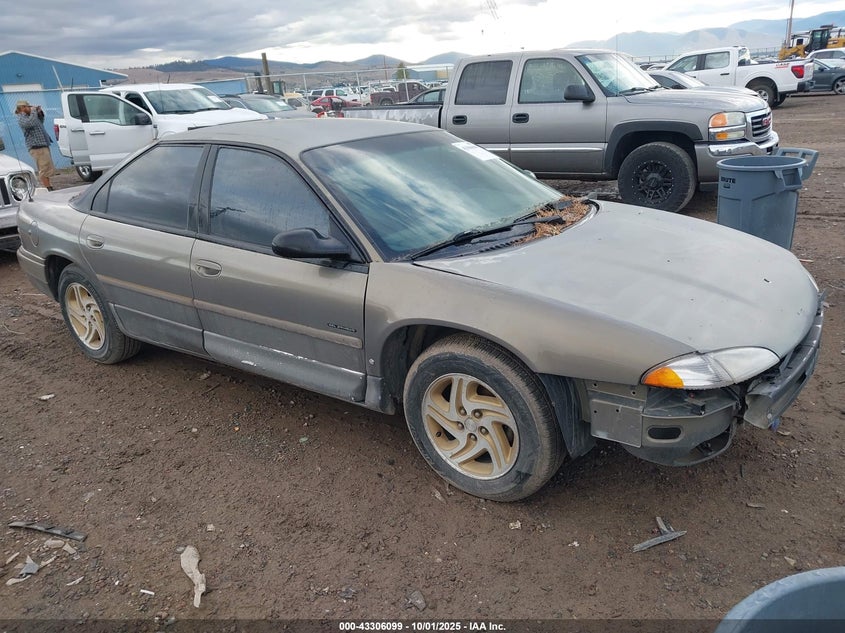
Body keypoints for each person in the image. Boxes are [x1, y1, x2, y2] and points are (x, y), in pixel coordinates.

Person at [15, 99, 56, 190]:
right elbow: (30, 124)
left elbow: (40, 122)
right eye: (28, 107)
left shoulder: (31, 116)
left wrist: (39, 113)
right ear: (22, 108)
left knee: (47, 167)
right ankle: (48, 188)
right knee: (43, 168)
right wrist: (33, 112)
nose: (30, 108)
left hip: (43, 143)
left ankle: (49, 185)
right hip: (36, 146)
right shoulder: (21, 117)